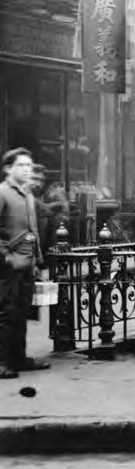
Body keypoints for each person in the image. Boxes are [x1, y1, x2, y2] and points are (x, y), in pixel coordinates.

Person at [0, 148, 50, 378]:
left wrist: (37, 260)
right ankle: (2, 362)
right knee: (6, 315)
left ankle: (18, 358)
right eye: (22, 165)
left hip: (27, 265)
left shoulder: (27, 195)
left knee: (21, 314)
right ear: (8, 169)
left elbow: (33, 230)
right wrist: (6, 258)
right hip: (8, 267)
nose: (28, 170)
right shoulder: (2, 193)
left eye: (30, 166)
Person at [31, 164, 69, 258]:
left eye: (41, 180)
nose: (38, 183)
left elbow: (61, 207)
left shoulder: (51, 192)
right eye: (34, 179)